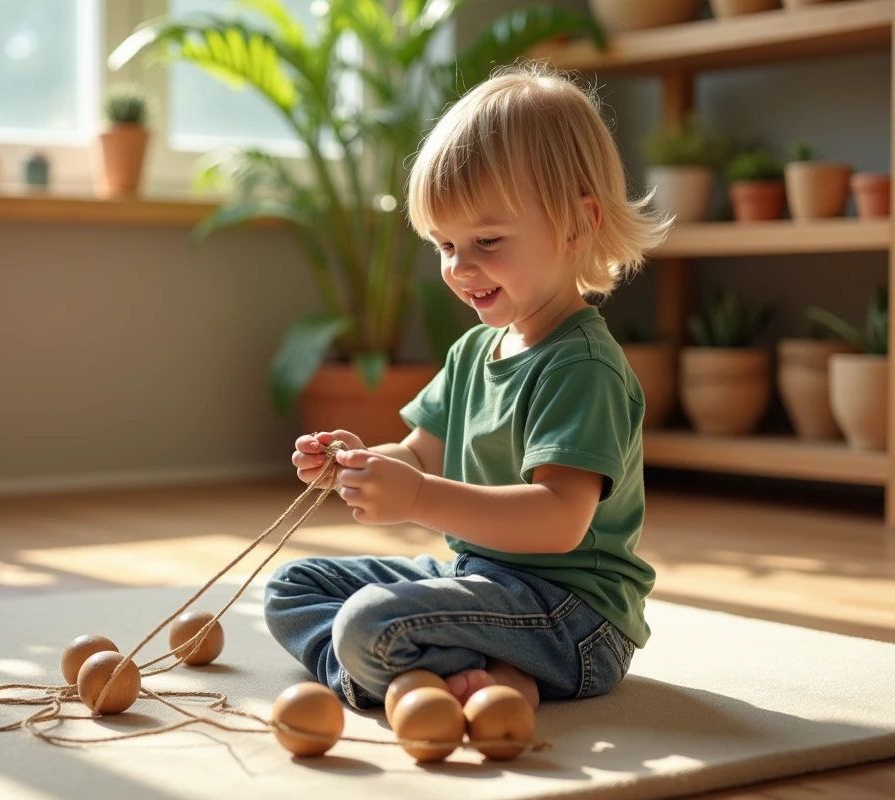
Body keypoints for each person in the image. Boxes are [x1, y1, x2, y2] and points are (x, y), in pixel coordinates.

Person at [262, 63, 671, 714]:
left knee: (368, 621)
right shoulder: (473, 350)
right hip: (479, 581)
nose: (460, 267)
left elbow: (561, 520)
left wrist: (419, 499)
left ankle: (409, 670)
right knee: (292, 584)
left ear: (576, 225)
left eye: (486, 240)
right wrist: (359, 463)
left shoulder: (582, 365)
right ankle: (423, 677)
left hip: (572, 618)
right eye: (445, 244)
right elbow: (421, 453)